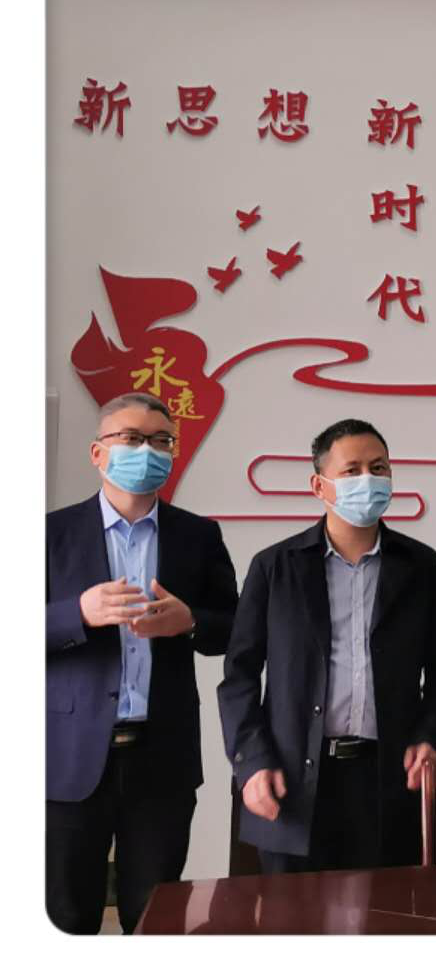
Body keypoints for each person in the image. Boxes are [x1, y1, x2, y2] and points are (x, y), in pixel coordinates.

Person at [218, 418, 436, 873]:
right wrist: (250, 762)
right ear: (319, 485)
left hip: (387, 781)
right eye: (352, 471)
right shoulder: (275, 567)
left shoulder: (418, 565)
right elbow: (239, 678)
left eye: (379, 468)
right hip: (295, 780)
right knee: (293, 914)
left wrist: (432, 739)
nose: (368, 480)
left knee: (388, 910)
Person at [46, 393, 239, 934]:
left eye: (160, 441)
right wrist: (77, 613)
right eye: (131, 438)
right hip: (69, 758)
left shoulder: (198, 535)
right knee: (66, 916)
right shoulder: (49, 533)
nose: (147, 451)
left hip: (163, 758)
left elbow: (237, 628)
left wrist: (190, 621)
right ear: (98, 453)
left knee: (153, 917)